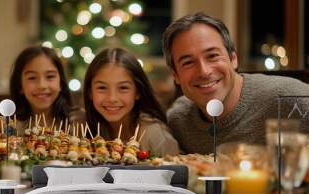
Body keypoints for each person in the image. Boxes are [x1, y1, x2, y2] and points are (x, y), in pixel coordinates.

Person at [162, 12, 309, 154]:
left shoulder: (291, 98)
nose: (204, 71)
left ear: (233, 59)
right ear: (176, 76)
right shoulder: (178, 120)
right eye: (188, 62)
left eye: (212, 56)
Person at [84, 47, 179, 157]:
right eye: (102, 88)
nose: (112, 98)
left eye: (123, 88)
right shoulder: (85, 128)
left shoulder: (155, 136)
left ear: (137, 92)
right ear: (90, 92)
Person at [9, 45, 73, 134]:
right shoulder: (10, 127)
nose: (42, 85)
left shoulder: (79, 121)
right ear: (20, 86)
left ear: (61, 83)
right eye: (32, 78)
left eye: (50, 76)